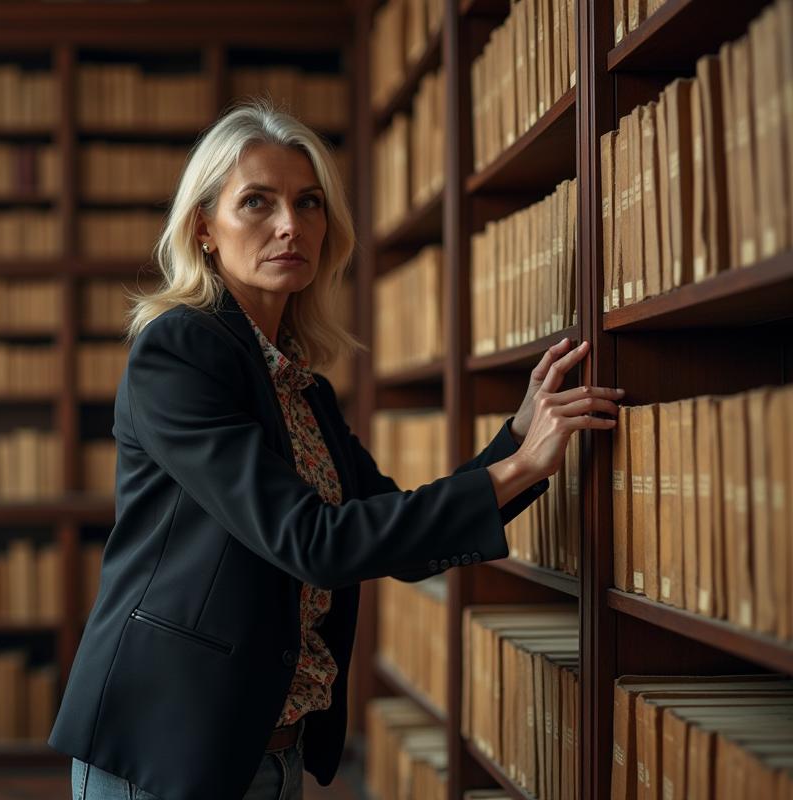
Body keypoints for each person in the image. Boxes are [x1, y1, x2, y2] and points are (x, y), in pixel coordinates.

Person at [48, 101, 621, 800]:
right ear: (203, 227)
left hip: (268, 746)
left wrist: (520, 438)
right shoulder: (179, 351)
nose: (290, 224)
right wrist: (519, 467)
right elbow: (312, 542)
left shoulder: (298, 383)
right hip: (170, 747)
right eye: (257, 201)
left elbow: (392, 534)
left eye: (309, 202)